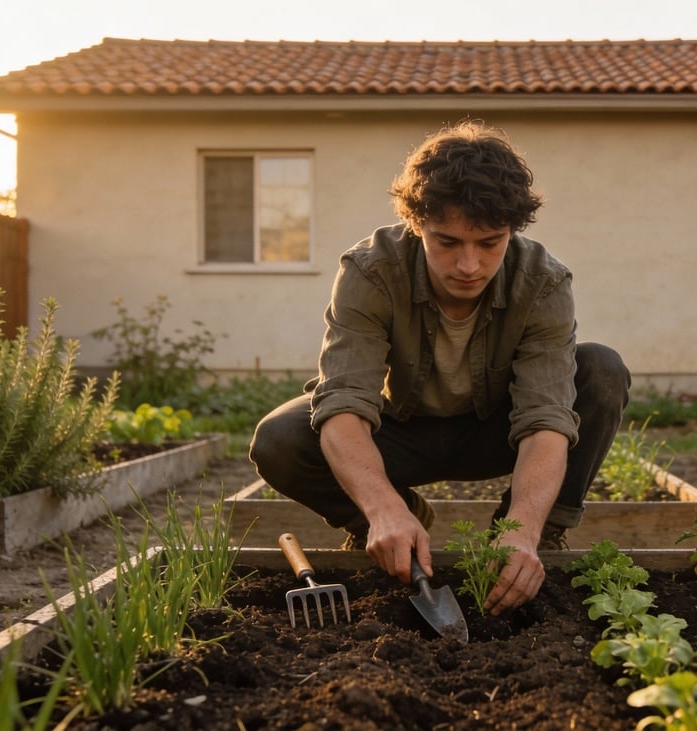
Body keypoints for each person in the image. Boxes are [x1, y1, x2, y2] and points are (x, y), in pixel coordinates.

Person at [249, 121, 630, 614]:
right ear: (416, 225)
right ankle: (390, 524)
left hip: (494, 431)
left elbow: (546, 420)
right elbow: (344, 402)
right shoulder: (371, 270)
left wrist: (522, 532)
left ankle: (533, 542)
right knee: (280, 438)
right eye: (447, 242)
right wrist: (382, 507)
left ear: (512, 230)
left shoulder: (543, 282)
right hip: (399, 433)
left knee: (600, 370)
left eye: (489, 243)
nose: (469, 265)